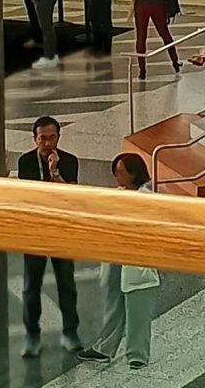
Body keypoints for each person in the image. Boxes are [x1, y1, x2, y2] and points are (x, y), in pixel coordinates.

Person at [16, 117, 82, 356]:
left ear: (58, 137)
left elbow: (72, 198)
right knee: (31, 286)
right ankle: (32, 335)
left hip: (61, 231)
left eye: (51, 137)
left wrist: (55, 173)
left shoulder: (69, 161)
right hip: (35, 231)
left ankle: (70, 332)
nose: (47, 143)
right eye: (42, 138)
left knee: (66, 283)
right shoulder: (26, 162)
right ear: (34, 139)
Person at [86, 153, 157, 367]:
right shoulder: (118, 194)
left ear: (134, 174)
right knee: (113, 304)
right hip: (116, 256)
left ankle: (137, 356)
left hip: (137, 260)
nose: (117, 176)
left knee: (138, 311)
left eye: (121, 172)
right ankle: (104, 348)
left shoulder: (148, 198)